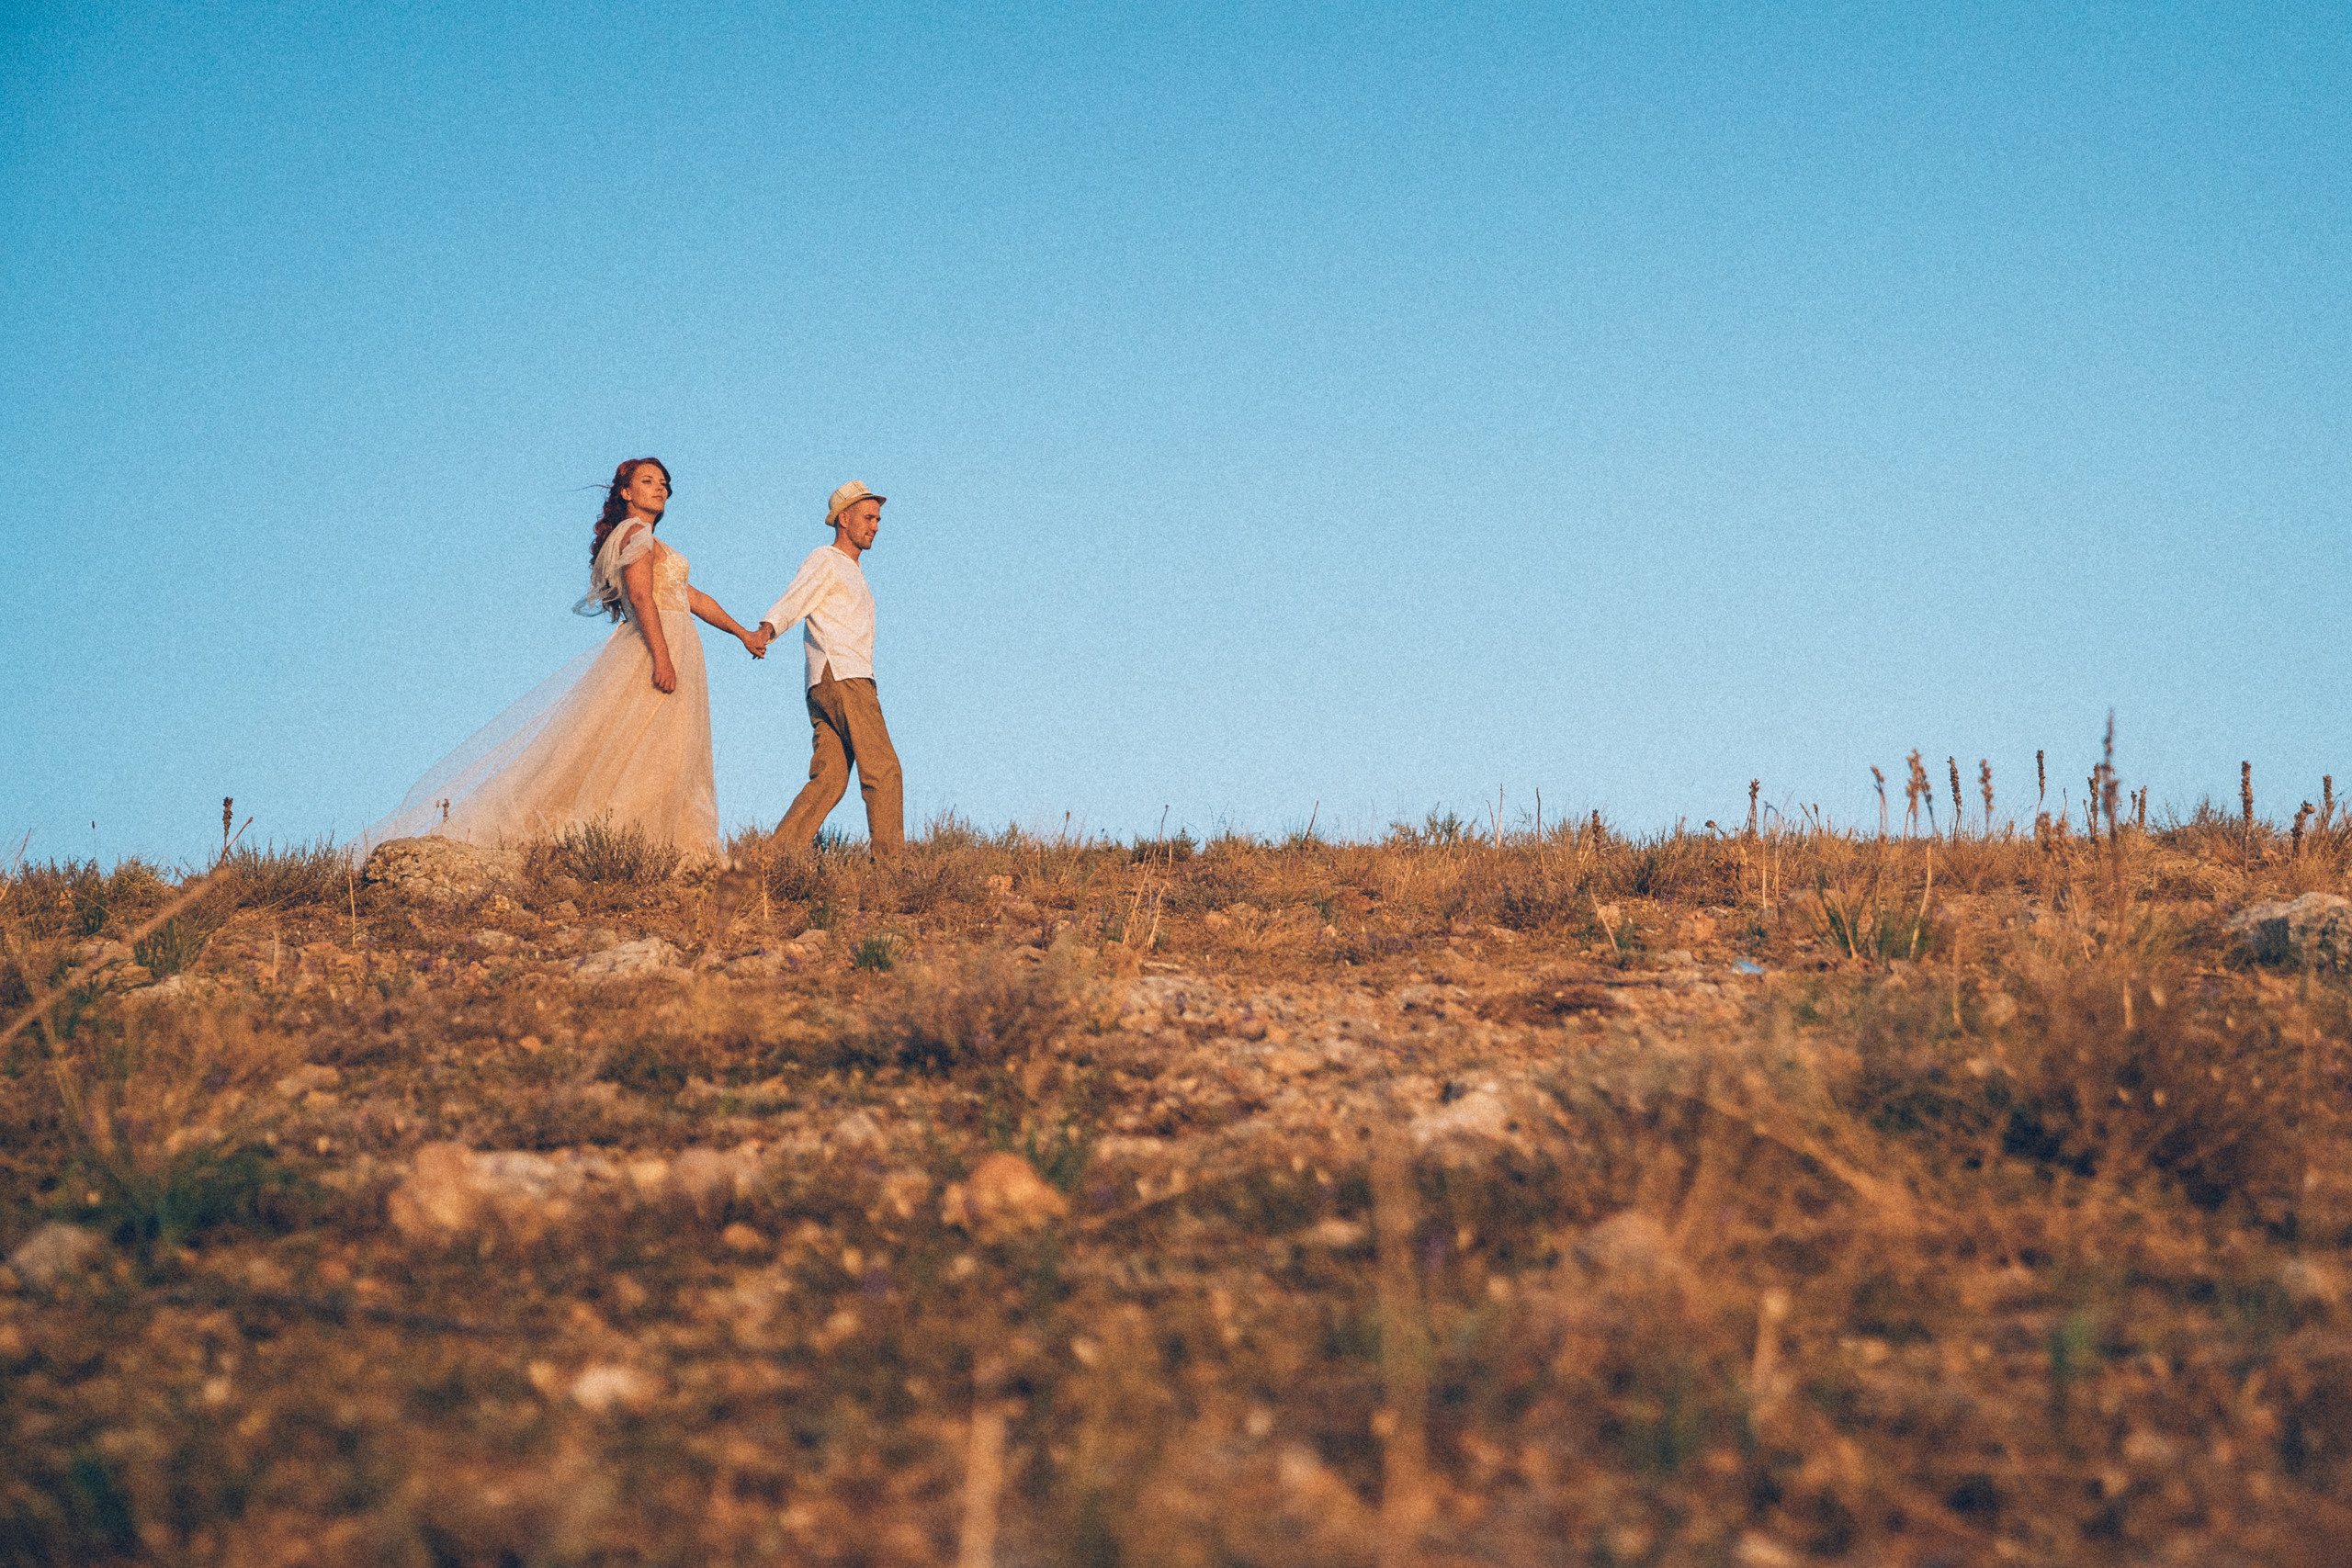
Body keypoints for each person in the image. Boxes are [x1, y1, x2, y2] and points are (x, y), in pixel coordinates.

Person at [364, 457, 768, 862]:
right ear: (626, 492)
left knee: (663, 747)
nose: (660, 488)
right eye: (648, 481)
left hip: (677, 642)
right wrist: (662, 658)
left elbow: (692, 597)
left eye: (663, 482)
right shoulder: (634, 533)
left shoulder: (652, 541)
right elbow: (642, 596)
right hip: (657, 645)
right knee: (647, 745)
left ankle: (655, 843)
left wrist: (742, 634)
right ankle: (626, 839)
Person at [752, 480, 904, 855]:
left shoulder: (851, 569)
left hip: (825, 682)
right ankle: (893, 870)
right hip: (845, 677)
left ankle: (776, 858)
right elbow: (796, 597)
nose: (876, 526)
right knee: (883, 770)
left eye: (879, 519)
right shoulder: (827, 559)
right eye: (869, 517)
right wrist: (767, 629)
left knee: (830, 779)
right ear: (844, 519)